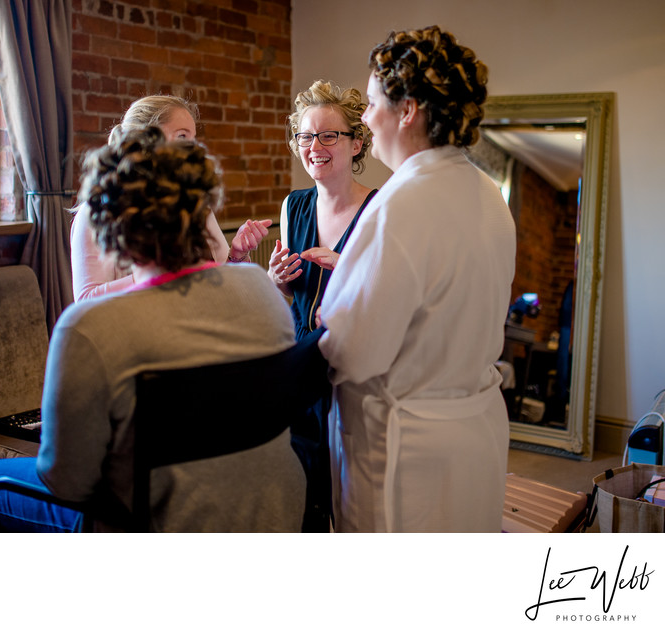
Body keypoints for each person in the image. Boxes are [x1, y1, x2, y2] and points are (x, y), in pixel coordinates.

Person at [0, 127, 306, 532]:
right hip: (273, 512)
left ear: (113, 230)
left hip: (164, 524)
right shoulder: (262, 292)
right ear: (202, 212)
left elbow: (67, 481)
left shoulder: (90, 326)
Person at [317, 26, 517, 532]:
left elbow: (354, 353)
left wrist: (333, 318)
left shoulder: (401, 203)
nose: (364, 117)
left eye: (369, 102)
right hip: (474, 434)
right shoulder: (487, 193)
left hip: (406, 454)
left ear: (407, 110)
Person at [268, 80, 377, 532]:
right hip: (303, 361)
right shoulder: (293, 206)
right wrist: (279, 280)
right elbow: (294, 296)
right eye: (306, 136)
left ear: (356, 143)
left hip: (354, 365)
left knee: (353, 487)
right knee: (304, 484)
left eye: (329, 135)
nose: (315, 146)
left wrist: (345, 264)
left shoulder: (379, 209)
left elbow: (386, 297)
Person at [71, 95, 271, 301]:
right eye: (182, 137)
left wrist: (236, 256)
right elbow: (86, 299)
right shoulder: (100, 209)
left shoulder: (196, 202)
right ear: (143, 139)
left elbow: (217, 279)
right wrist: (161, 272)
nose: (193, 149)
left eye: (193, 139)